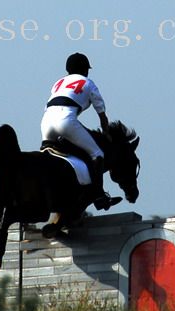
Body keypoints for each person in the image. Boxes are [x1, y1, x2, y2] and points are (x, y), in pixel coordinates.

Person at [41, 53, 122, 211]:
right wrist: (106, 133)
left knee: (48, 153)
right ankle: (99, 196)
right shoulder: (89, 83)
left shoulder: (58, 83)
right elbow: (102, 115)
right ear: (85, 70)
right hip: (65, 120)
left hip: (45, 122)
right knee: (98, 154)